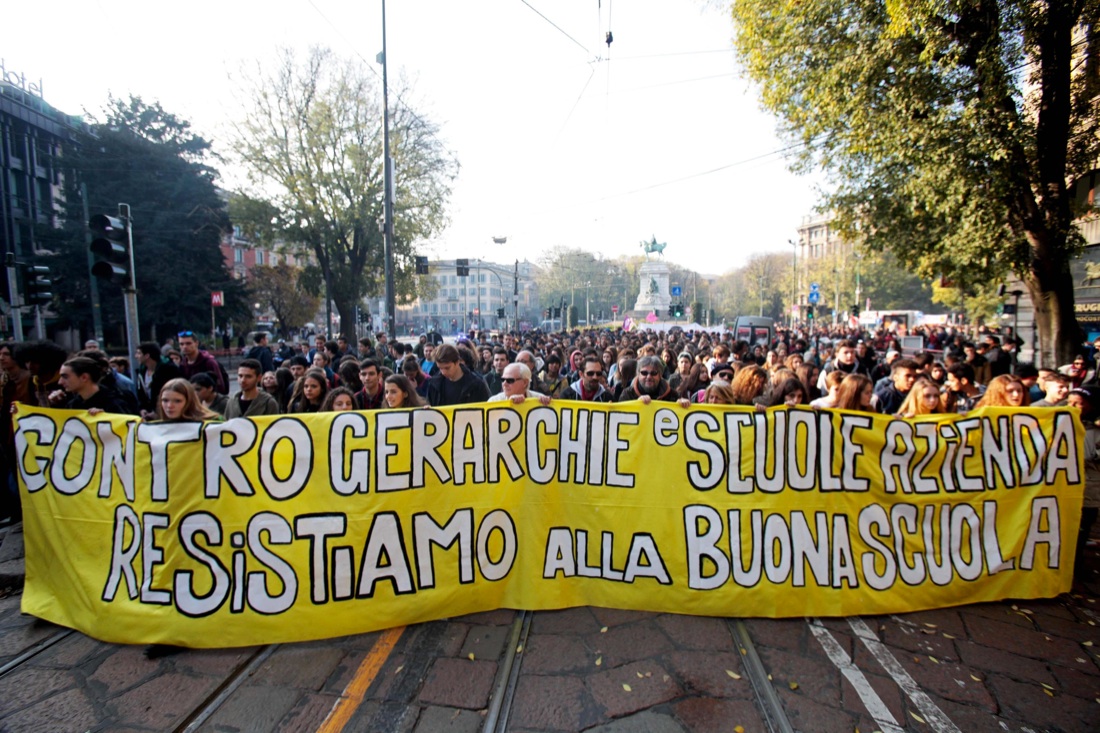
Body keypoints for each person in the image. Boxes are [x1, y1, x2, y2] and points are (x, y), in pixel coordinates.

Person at [50, 357, 130, 414]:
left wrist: (107, 418)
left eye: (65, 377)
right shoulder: (73, 404)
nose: (60, 382)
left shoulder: (115, 402)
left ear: (84, 377)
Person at [426, 344, 491, 406]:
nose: (443, 372)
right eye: (440, 368)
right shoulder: (434, 384)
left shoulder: (477, 384)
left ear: (457, 362)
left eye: (447, 368)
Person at [135, 342, 183, 415]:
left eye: (139, 353)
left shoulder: (169, 369)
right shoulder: (142, 371)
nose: (136, 356)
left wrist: (158, 412)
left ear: (147, 355)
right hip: (149, 413)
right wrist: (142, 409)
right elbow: (141, 394)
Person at [152, 378, 219, 422]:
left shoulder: (213, 422)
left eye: (177, 401)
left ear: (190, 401)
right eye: (165, 400)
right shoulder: (156, 428)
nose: (169, 406)